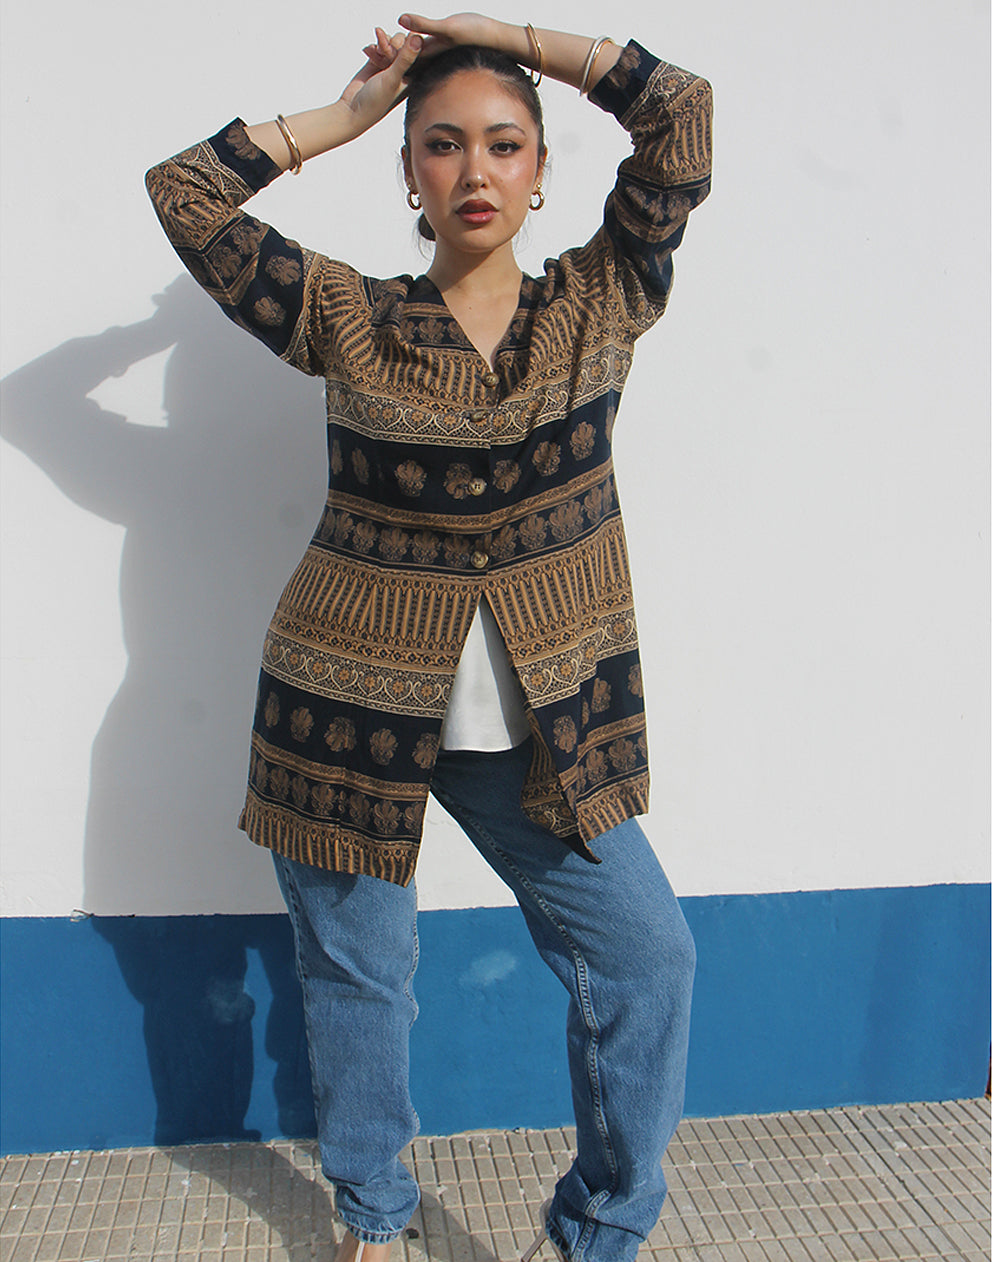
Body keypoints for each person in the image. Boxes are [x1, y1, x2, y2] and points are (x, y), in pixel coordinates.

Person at [146, 12, 712, 1262]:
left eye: (503, 145)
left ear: (540, 168)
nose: (474, 172)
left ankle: (599, 1231)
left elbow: (680, 112)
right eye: (441, 146)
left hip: (541, 728)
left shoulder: (601, 300)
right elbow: (184, 196)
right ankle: (373, 1221)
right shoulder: (347, 314)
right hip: (343, 715)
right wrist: (340, 120)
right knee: (362, 983)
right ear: (409, 171)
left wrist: (505, 36)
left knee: (647, 961)